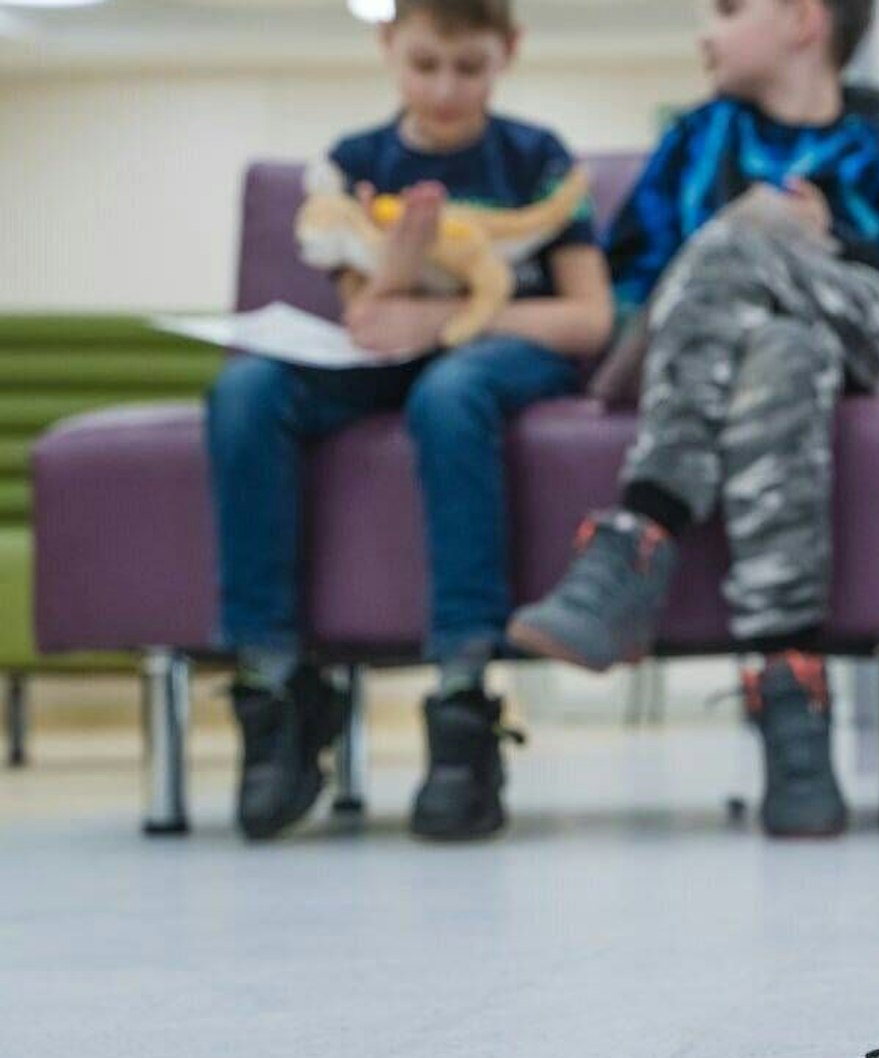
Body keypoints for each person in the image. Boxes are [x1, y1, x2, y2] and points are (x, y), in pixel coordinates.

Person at [506, 0, 879, 837]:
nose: (705, 30)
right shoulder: (696, 139)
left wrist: (829, 241)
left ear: (804, 19)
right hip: (740, 360)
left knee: (739, 241)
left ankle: (643, 529)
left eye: (729, 8)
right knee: (785, 349)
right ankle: (789, 690)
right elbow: (631, 289)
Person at [205, 0, 613, 841]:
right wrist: (397, 267)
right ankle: (275, 688)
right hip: (383, 356)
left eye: (469, 68)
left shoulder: (537, 160)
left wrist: (449, 318)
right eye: (425, 65)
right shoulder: (355, 165)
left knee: (450, 395)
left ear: (509, 52)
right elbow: (367, 314)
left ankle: (463, 699)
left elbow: (588, 318)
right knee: (244, 394)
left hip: (499, 353)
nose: (446, 88)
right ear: (388, 45)